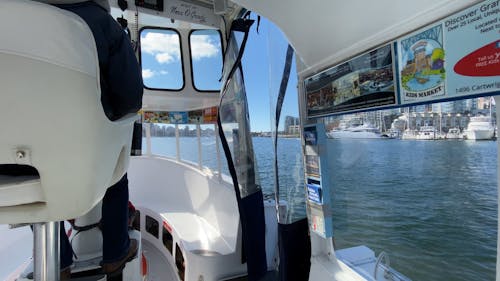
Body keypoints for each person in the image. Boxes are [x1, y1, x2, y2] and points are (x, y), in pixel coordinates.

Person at [38, 0, 144, 278]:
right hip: (84, 154)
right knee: (116, 179)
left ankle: (58, 262)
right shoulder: (102, 24)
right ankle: (115, 253)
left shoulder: (12, 21)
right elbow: (130, 97)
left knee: (39, 182)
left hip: (15, 164)